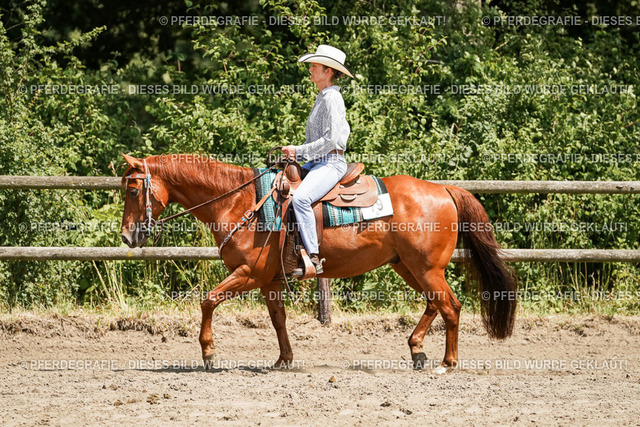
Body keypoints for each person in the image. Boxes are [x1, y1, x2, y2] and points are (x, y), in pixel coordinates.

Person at [281, 44, 354, 275]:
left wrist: (298, 151)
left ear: (328, 71)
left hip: (331, 162)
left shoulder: (332, 98)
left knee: (301, 198)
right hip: (317, 162)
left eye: (314, 66)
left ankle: (312, 257)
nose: (310, 69)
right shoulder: (322, 97)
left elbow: (331, 140)